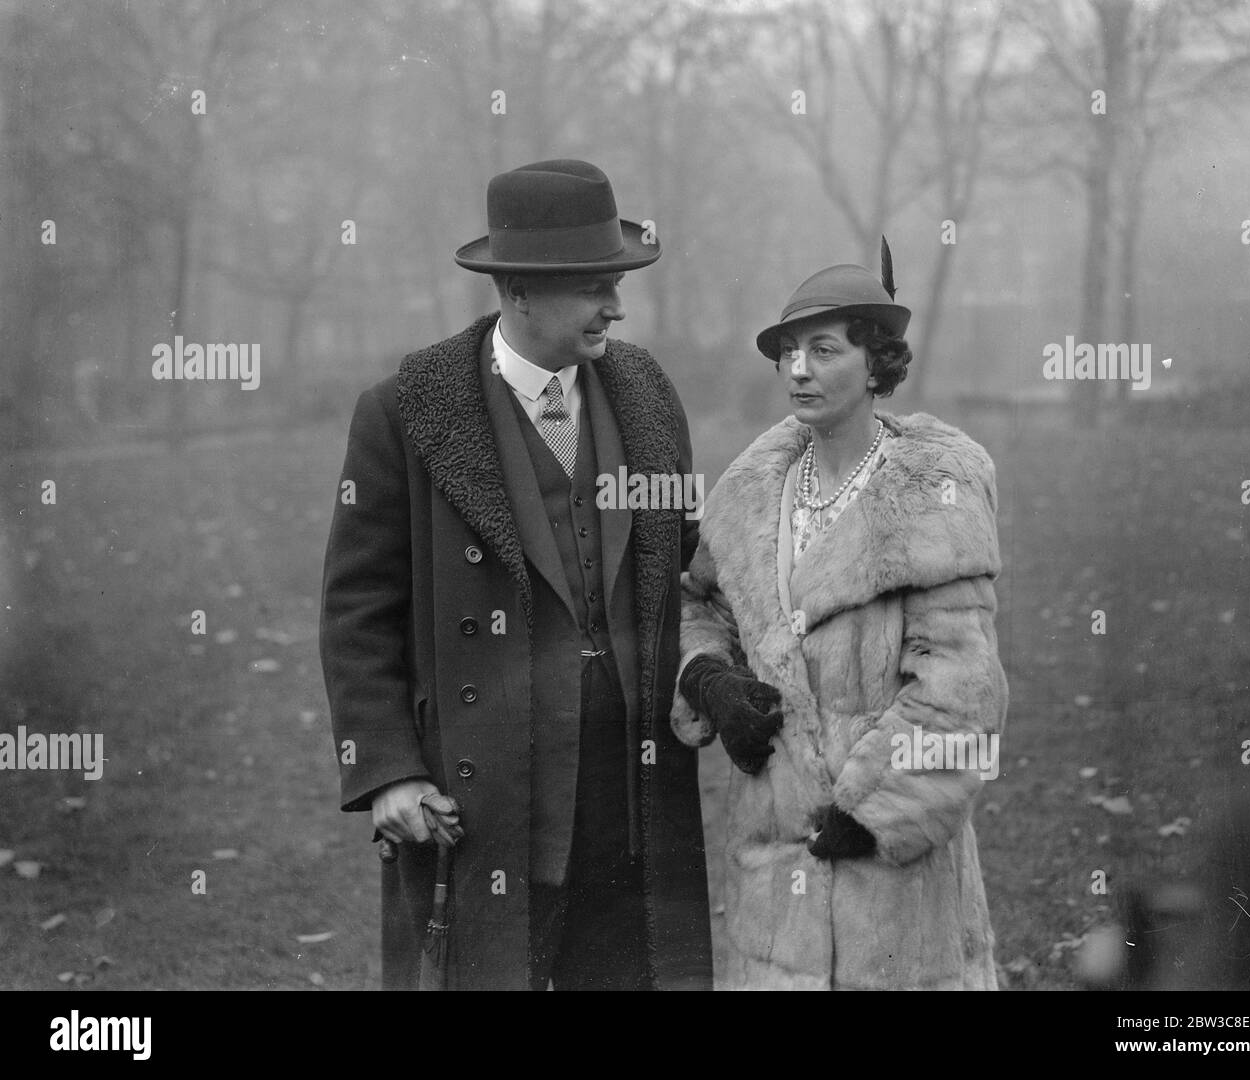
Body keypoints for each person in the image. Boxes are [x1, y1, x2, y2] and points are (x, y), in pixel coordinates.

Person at [320, 159, 712, 990]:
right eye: (594, 286)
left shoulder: (645, 392)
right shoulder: (404, 411)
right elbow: (358, 611)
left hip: (634, 794)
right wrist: (388, 768)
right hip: (488, 792)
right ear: (519, 291)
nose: (617, 305)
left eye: (617, 282)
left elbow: (688, 562)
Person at [671, 255, 1007, 990]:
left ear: (877, 362)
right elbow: (700, 605)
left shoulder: (932, 499)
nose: (800, 369)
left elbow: (961, 690)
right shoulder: (752, 493)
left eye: (824, 350)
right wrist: (709, 678)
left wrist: (874, 809)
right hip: (772, 858)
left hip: (893, 870)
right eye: (791, 352)